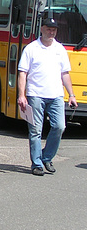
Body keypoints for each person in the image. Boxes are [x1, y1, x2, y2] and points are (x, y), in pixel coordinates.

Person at [17, 17, 78, 176]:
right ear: (42, 29)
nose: (52, 32)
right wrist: (21, 95)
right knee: (36, 130)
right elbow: (23, 73)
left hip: (56, 95)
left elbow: (65, 73)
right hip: (36, 94)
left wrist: (71, 95)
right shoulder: (31, 48)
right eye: (49, 29)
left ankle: (47, 157)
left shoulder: (60, 49)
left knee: (59, 126)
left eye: (54, 30)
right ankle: (36, 164)